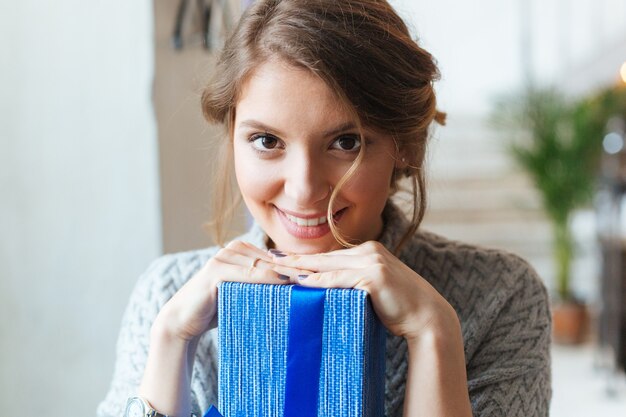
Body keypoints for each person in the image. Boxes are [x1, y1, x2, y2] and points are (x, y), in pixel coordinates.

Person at [97, 0, 552, 416]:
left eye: (345, 142)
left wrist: (434, 336)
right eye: (267, 141)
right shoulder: (167, 296)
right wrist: (173, 339)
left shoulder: (499, 296)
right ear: (233, 137)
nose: (304, 189)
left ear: (405, 146)